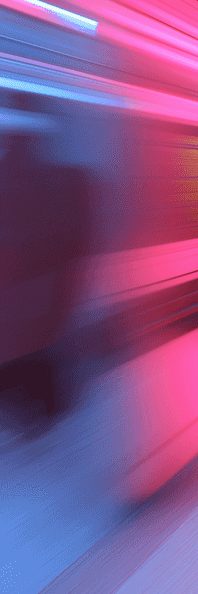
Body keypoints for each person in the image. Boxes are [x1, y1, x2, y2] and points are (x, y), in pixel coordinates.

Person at [0, 92, 91, 431]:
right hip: (46, 317)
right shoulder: (69, 182)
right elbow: (75, 250)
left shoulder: (14, 180)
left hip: (18, 322)